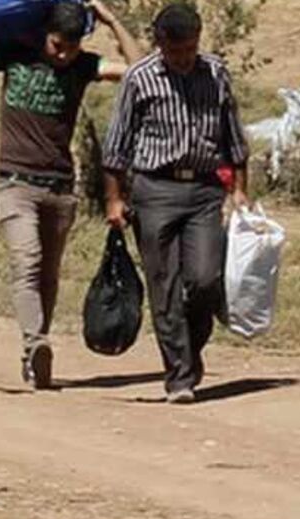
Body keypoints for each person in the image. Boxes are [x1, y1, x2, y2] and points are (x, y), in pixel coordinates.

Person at [0, 0, 141, 388]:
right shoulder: (15, 55)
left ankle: (35, 355)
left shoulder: (84, 66)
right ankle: (35, 342)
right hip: (15, 183)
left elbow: (138, 71)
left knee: (48, 274)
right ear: (42, 36)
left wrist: (112, 20)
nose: (63, 53)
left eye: (70, 45)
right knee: (27, 261)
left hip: (60, 187)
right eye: (55, 44)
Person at [101, 2, 249, 403]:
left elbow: (233, 136)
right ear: (159, 43)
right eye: (174, 51)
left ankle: (190, 350)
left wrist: (239, 189)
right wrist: (115, 200)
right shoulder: (139, 79)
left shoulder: (216, 73)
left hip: (204, 190)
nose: (183, 59)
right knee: (163, 285)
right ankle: (180, 376)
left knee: (204, 280)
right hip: (155, 192)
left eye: (189, 49)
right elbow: (116, 147)